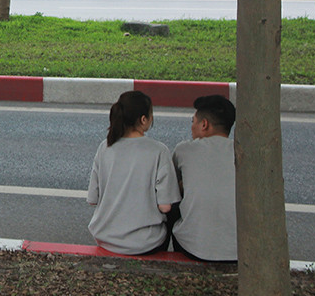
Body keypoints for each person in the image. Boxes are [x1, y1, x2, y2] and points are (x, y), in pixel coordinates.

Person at [87, 90, 180, 255]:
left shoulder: (105, 147)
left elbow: (93, 199)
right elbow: (165, 207)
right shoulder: (158, 150)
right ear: (143, 119)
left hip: (106, 238)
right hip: (146, 243)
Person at [170, 94, 238, 262]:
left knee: (168, 199)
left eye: (193, 121)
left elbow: (171, 189)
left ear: (204, 124)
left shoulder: (184, 150)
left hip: (192, 249)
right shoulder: (243, 152)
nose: (192, 127)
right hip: (240, 251)